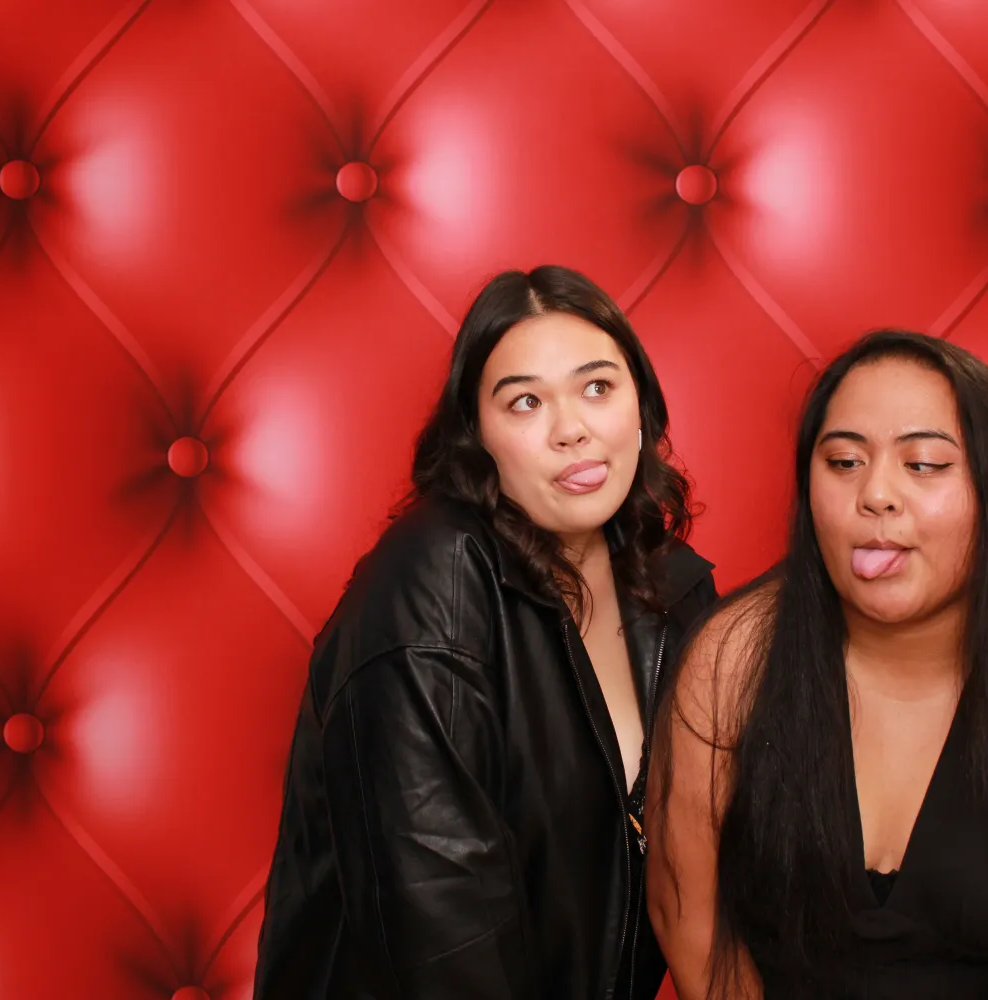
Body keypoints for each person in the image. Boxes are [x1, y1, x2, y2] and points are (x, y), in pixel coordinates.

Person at [252, 265, 719, 1000]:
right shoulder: (430, 589)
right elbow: (440, 927)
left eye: (598, 387)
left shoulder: (672, 591)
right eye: (526, 402)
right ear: (478, 438)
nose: (573, 429)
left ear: (641, 409)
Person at [645, 330, 988, 1000]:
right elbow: (693, 931)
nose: (876, 495)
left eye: (924, 465)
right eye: (845, 462)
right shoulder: (730, 658)